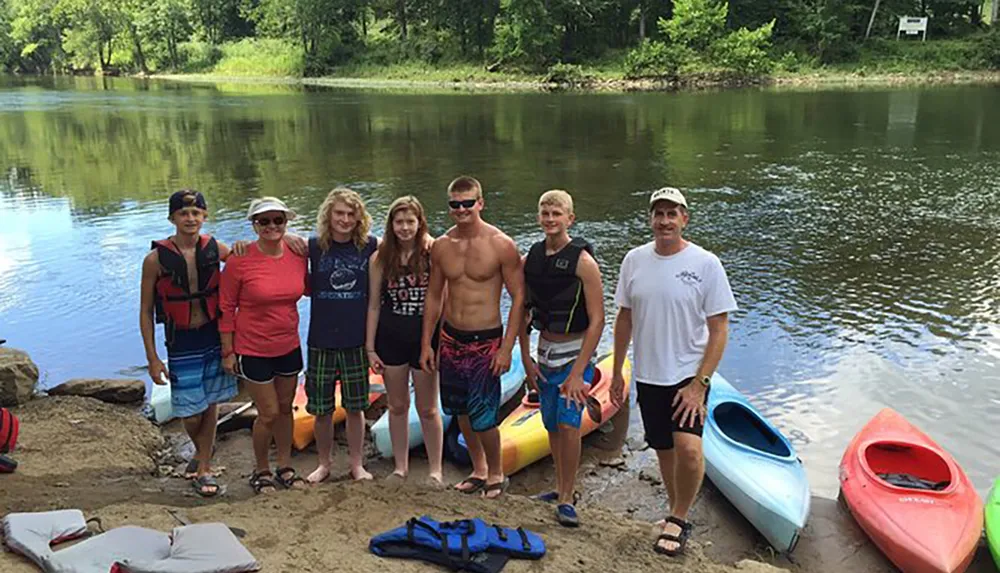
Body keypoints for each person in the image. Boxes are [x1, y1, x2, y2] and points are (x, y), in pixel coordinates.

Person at [610, 187, 737, 557]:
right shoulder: (634, 260)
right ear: (651, 219)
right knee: (664, 448)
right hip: (650, 373)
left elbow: (719, 329)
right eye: (658, 214)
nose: (664, 221)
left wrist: (700, 383)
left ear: (685, 218)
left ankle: (680, 517)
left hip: (688, 374)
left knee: (690, 450)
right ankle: (674, 510)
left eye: (672, 214)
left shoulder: (706, 264)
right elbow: (624, 317)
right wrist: (618, 369)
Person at [420, 176, 524, 500]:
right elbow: (434, 296)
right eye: (456, 204)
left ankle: (496, 473)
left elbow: (519, 297)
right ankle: (478, 469)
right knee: (460, 410)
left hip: (485, 340)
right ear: (450, 207)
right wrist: (427, 343)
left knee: (484, 415)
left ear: (481, 202)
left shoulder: (500, 244)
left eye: (468, 203)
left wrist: (507, 348)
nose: (462, 209)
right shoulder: (442, 246)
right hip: (451, 339)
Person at [139, 189, 239, 498]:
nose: (190, 218)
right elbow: (144, 311)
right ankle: (201, 453)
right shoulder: (155, 260)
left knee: (211, 401)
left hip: (213, 334)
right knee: (189, 411)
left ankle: (204, 467)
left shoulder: (216, 248)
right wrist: (153, 359)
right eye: (183, 213)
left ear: (205, 216)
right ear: (172, 218)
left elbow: (248, 265)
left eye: (196, 213)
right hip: (180, 340)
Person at [518, 190, 604, 527]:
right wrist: (525, 359)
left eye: (557, 213)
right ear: (539, 217)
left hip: (574, 354)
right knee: (551, 424)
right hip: (545, 353)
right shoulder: (532, 258)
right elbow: (523, 311)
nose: (550, 219)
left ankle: (568, 497)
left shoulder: (584, 262)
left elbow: (598, 318)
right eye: (545, 213)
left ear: (571, 218)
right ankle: (558, 486)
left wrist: (579, 371)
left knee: (570, 425)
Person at [219, 196, 309, 495]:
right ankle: (261, 470)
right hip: (252, 348)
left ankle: (285, 466)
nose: (272, 226)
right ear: (254, 225)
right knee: (267, 413)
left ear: (286, 222)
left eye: (278, 220)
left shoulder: (298, 253)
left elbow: (309, 287)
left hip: (289, 344)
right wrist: (228, 351)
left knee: (285, 408)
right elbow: (226, 306)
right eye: (264, 221)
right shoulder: (239, 259)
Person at [366, 196, 443, 484]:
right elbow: (373, 304)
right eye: (399, 222)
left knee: (428, 407)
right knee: (397, 405)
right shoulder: (380, 257)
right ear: (391, 225)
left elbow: (442, 298)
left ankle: (435, 469)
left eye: (411, 221)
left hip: (425, 338)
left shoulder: (433, 252)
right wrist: (370, 347)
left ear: (420, 223)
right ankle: (401, 466)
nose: (405, 227)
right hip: (391, 337)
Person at [305, 188, 379, 484]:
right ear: (328, 215)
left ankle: (357, 464)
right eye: (339, 213)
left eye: (351, 214)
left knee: (355, 407)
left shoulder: (371, 246)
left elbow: (407, 244)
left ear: (359, 217)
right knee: (321, 409)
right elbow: (278, 244)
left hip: (356, 339)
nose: (345, 220)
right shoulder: (313, 246)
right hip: (320, 339)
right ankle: (324, 464)